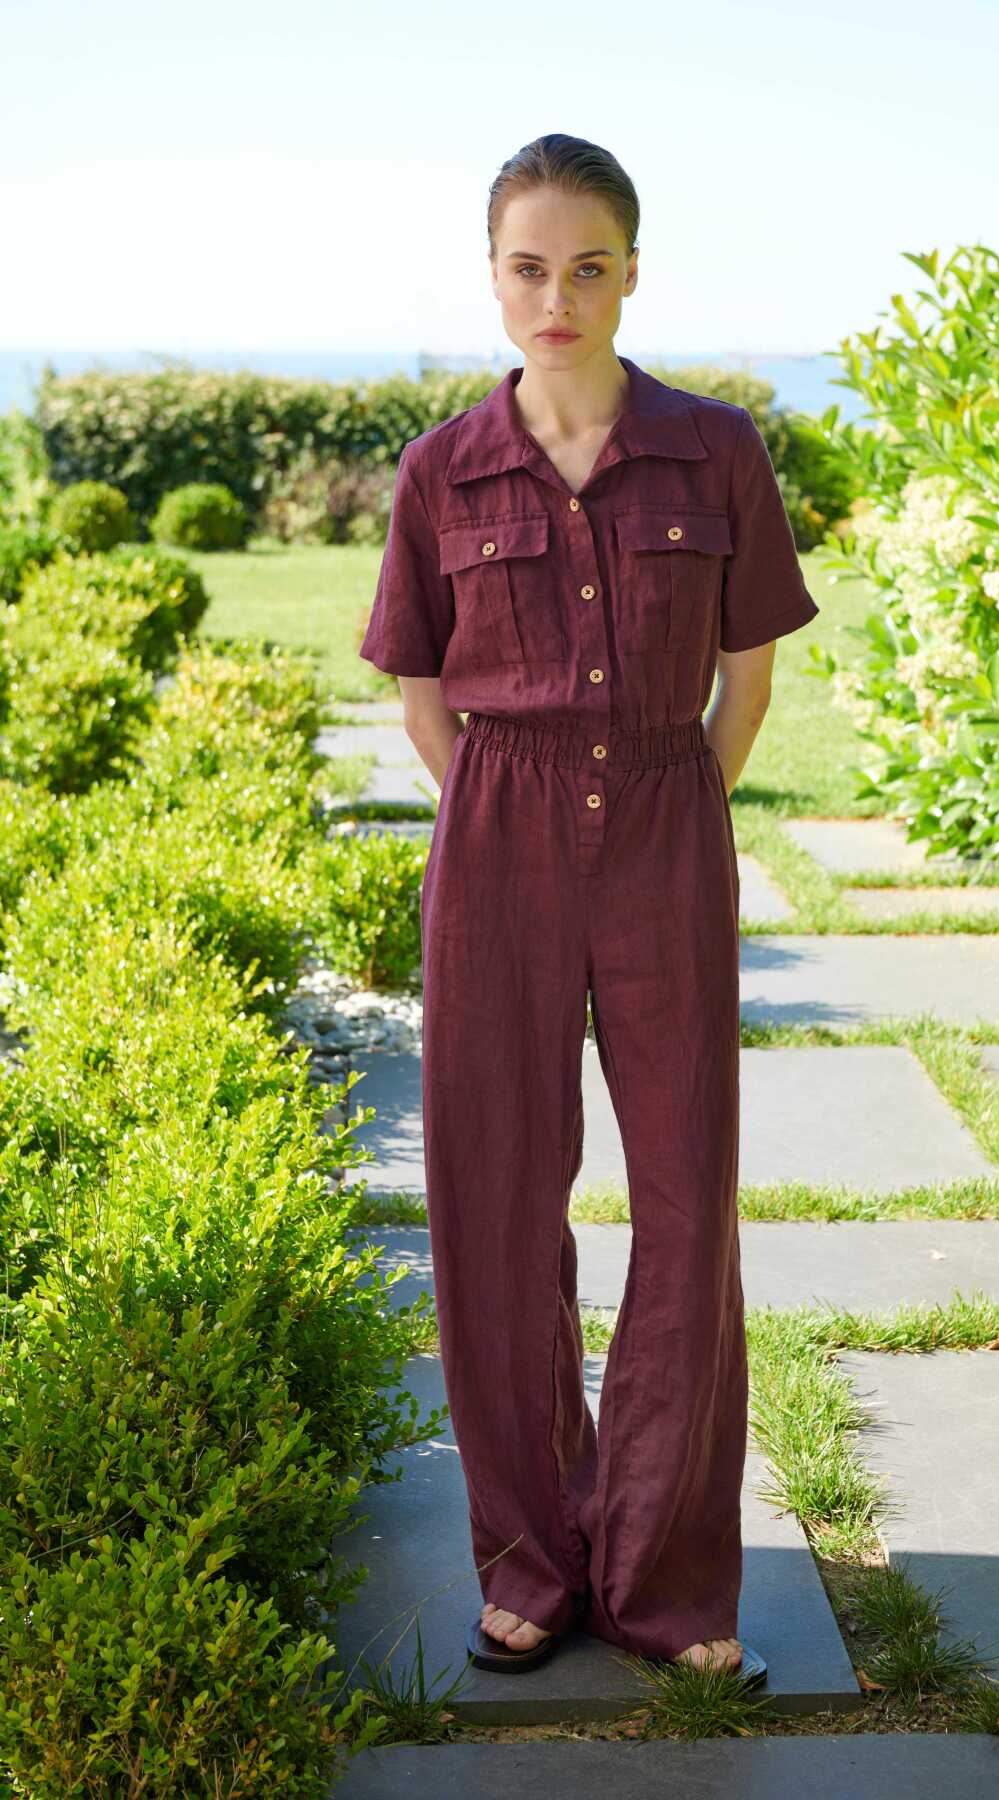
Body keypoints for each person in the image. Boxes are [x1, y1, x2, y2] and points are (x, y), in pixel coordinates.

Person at [358, 132, 819, 1689]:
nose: (557, 296)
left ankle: (666, 1575)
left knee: (687, 1195)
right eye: (529, 268)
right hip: (498, 830)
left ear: (631, 274)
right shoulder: (441, 469)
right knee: (495, 1198)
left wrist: (681, 803)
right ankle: (532, 1559)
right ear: (494, 280)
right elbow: (424, 693)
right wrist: (505, 814)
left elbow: (748, 674)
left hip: (667, 817)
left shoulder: (716, 449)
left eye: (588, 266)